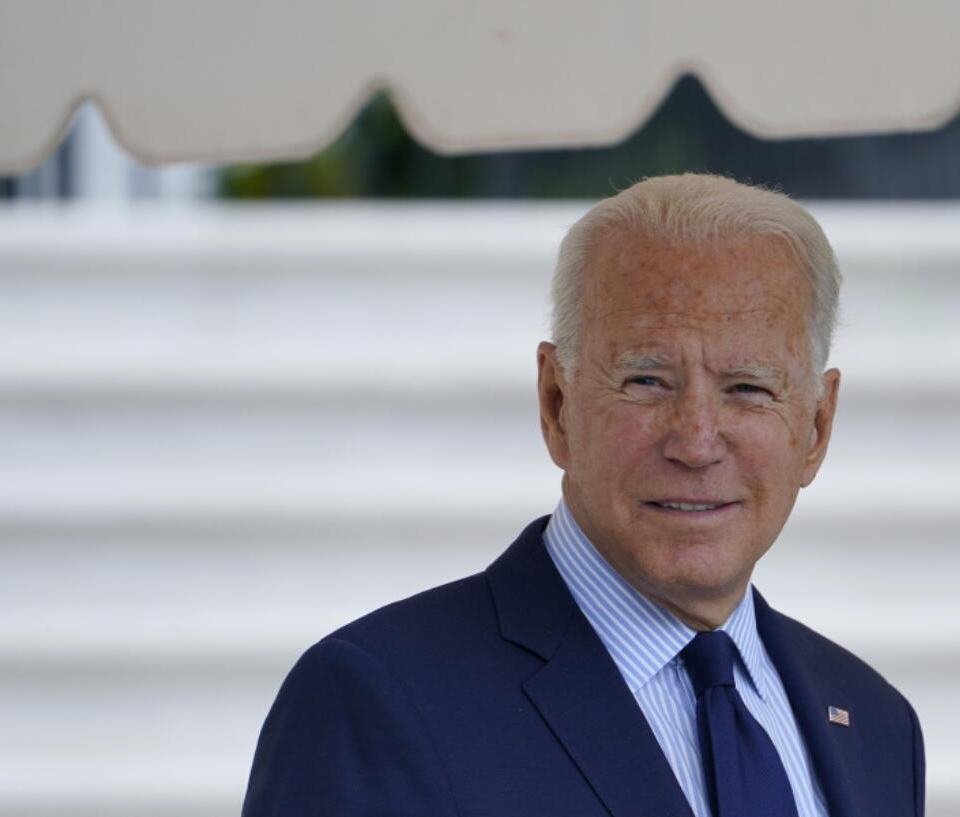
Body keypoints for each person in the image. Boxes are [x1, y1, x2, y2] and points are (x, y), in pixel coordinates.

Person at [241, 174, 925, 817]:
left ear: (816, 426)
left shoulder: (876, 722)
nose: (696, 441)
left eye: (747, 388)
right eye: (647, 380)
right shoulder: (375, 702)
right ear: (556, 402)